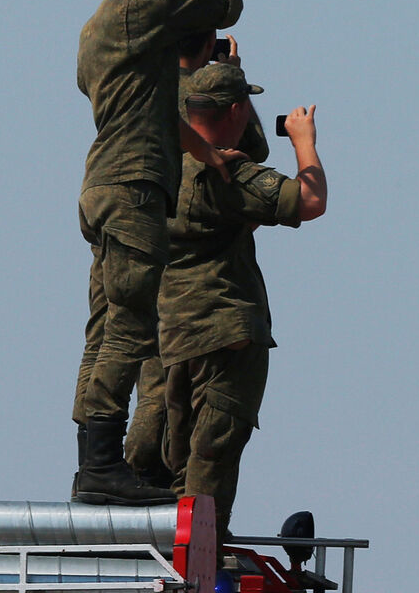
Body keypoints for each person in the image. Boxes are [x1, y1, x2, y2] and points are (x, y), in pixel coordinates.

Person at [72, 0, 245, 505]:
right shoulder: (146, 5)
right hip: (135, 188)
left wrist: (206, 154)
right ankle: (102, 466)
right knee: (133, 327)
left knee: (104, 326)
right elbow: (228, 5)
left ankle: (92, 459)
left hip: (102, 186)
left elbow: (148, 109)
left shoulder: (95, 27)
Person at [160, 63, 327, 535]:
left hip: (174, 331)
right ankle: (201, 549)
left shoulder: (163, 163)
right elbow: (310, 202)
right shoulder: (227, 173)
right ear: (236, 110)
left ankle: (181, 540)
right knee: (214, 449)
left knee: (180, 455)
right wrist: (304, 142)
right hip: (226, 327)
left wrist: (223, 72)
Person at [124, 33, 267, 488]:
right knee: (201, 435)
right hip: (207, 304)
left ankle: (133, 484)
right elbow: (260, 157)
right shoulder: (204, 113)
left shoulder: (147, 96)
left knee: (156, 397)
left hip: (153, 284)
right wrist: (233, 80)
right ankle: (174, 502)